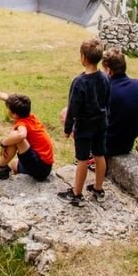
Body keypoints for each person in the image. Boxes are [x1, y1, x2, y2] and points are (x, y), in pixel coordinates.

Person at [59, 38, 110, 205]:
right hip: (101, 122)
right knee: (99, 155)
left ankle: (77, 194)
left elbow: (73, 108)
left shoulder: (79, 82)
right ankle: (98, 188)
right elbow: (107, 100)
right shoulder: (105, 78)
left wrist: (67, 129)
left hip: (84, 125)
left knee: (82, 159)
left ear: (83, 58)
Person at [102, 48, 138, 159]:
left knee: (68, 115)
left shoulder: (104, 90)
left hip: (104, 147)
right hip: (126, 145)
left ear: (109, 70)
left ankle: (86, 158)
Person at [0, 92, 54, 182]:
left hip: (40, 168)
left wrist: (3, 143)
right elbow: (19, 105)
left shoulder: (22, 124)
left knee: (15, 136)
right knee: (12, 164)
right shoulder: (29, 115)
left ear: (14, 114)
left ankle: (0, 167)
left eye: (9, 109)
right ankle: (7, 174)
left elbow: (21, 135)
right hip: (45, 166)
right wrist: (6, 98)